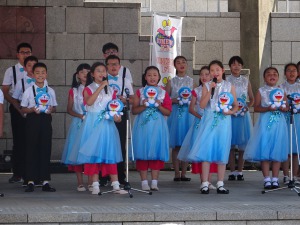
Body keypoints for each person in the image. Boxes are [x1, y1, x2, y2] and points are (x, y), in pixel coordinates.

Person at [69, 62, 126, 195]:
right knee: (93, 154)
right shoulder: (88, 88)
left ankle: (116, 184)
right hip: (93, 123)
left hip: (107, 124)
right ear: (93, 74)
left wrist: (117, 116)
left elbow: (113, 106)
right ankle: (94, 184)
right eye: (98, 71)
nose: (101, 73)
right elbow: (89, 102)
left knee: (109, 153)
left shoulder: (111, 90)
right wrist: (101, 87)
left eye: (103, 71)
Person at [187, 60, 238, 194]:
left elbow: (236, 105)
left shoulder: (229, 85)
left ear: (222, 71)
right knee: (207, 150)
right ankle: (204, 183)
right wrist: (210, 90)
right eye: (212, 71)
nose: (215, 72)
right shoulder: (207, 86)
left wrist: (230, 112)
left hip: (224, 121)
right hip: (209, 119)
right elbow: (202, 105)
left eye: (217, 70)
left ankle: (220, 183)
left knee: (222, 150)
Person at [244, 67, 289, 189]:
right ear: (264, 78)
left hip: (279, 123)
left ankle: (275, 178)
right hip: (265, 123)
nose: (272, 76)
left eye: (275, 74)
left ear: (278, 77)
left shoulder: (281, 90)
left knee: (277, 150)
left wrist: (284, 108)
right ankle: (266, 178)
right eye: (268, 74)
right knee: (265, 150)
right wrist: (268, 108)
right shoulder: (261, 91)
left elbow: (286, 106)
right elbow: (257, 107)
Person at [132, 66, 172, 191]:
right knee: (142, 152)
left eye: (155, 75)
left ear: (159, 77)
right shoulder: (140, 92)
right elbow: (134, 110)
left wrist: (159, 105)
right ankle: (144, 182)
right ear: (145, 77)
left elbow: (168, 112)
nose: (152, 77)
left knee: (156, 152)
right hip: (143, 126)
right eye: (149, 75)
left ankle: (154, 182)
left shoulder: (163, 92)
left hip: (158, 126)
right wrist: (144, 105)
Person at [20, 62, 58, 192]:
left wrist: (51, 109)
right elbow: (23, 108)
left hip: (45, 120)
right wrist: (32, 110)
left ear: (46, 74)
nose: (40, 75)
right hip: (32, 120)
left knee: (45, 148)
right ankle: (30, 180)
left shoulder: (50, 91)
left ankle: (45, 181)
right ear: (33, 75)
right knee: (31, 149)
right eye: (37, 72)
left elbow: (55, 108)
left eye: (43, 72)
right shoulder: (28, 91)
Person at [178, 66, 217, 190]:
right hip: (200, 124)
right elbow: (191, 108)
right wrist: (200, 117)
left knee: (211, 150)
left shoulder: (217, 89)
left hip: (212, 123)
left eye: (207, 74)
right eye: (202, 74)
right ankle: (203, 180)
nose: (204, 77)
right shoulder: (196, 90)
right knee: (201, 151)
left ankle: (209, 181)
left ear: (211, 76)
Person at [2, 42, 32, 183]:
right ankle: (18, 172)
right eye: (23, 52)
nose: (25, 54)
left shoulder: (37, 69)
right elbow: (6, 91)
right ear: (17, 54)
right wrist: (16, 106)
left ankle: (31, 173)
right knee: (19, 141)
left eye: (28, 52)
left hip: (33, 109)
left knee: (31, 140)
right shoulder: (11, 71)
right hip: (17, 106)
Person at [61, 63, 93, 192]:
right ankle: (80, 182)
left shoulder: (94, 89)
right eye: (82, 72)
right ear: (77, 75)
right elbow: (69, 109)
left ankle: (91, 181)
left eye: (88, 72)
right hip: (79, 123)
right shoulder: (74, 91)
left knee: (91, 152)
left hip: (92, 123)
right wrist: (80, 115)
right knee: (77, 152)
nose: (85, 74)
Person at [105, 55, 134, 185]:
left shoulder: (125, 81)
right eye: (110, 64)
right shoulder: (103, 80)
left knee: (120, 145)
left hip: (120, 116)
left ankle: (120, 176)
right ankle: (104, 176)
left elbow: (133, 99)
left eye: (115, 64)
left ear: (120, 66)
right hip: (106, 116)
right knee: (105, 145)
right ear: (106, 67)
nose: (113, 67)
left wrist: (125, 100)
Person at [166, 56, 194, 182]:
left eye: (184, 62)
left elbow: (196, 98)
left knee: (186, 143)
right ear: (174, 65)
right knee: (176, 145)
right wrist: (175, 100)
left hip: (188, 115)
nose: (181, 64)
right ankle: (176, 172)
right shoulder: (171, 81)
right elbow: (165, 100)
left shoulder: (192, 81)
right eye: (178, 62)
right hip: (176, 115)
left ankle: (184, 172)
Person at [11, 55, 38, 186]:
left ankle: (38, 175)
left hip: (39, 117)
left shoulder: (43, 81)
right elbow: (15, 98)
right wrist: (22, 111)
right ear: (25, 68)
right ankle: (25, 175)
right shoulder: (21, 81)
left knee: (38, 145)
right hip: (25, 116)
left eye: (35, 64)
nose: (32, 67)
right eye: (29, 65)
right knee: (24, 145)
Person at [227, 56, 254, 181]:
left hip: (243, 116)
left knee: (243, 144)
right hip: (230, 115)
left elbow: (252, 98)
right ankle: (232, 171)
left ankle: (240, 171)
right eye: (233, 64)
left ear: (242, 66)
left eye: (238, 64)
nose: (236, 66)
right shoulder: (226, 81)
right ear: (230, 67)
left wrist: (247, 106)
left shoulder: (245, 81)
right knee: (230, 145)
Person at [279, 63, 300, 184]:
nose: (291, 73)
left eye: (294, 71)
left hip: (298, 119)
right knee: (286, 149)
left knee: (297, 149)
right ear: (285, 73)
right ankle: (286, 175)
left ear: (297, 73)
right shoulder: (280, 87)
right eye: (289, 70)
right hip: (286, 119)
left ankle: (295, 175)